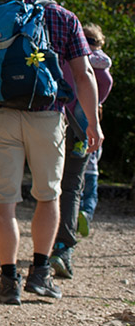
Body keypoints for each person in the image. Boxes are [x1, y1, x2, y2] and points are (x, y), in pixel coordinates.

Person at [0, 0, 103, 305]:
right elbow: (83, 75)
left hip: (1, 115)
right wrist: (93, 123)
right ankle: (40, 273)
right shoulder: (65, 19)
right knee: (48, 195)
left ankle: (9, 282)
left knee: (4, 202)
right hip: (48, 116)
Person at [50, 23, 112, 277]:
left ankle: (44, 250)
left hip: (56, 125)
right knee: (73, 187)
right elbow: (103, 90)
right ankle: (63, 247)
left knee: (51, 184)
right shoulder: (104, 67)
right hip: (84, 131)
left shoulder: (68, 58)